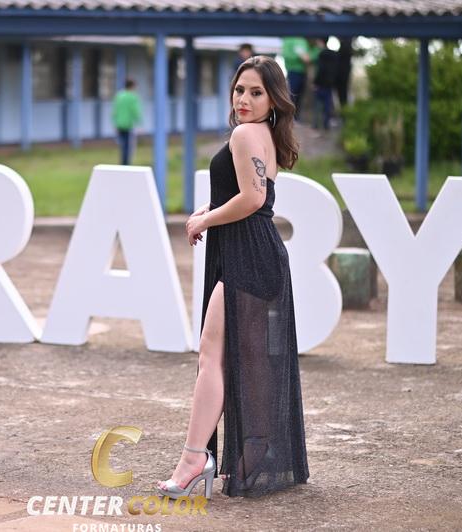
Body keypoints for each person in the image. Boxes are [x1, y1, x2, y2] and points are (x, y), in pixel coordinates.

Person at [157, 55, 309, 499]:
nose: (244, 99)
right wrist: (210, 209)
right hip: (255, 252)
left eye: (256, 92)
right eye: (240, 90)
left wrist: (205, 221)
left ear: (273, 99)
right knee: (242, 361)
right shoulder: (263, 134)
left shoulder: (245, 134)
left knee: (213, 356)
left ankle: (194, 460)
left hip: (250, 255)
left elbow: (253, 199)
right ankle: (249, 454)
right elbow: (250, 194)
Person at [111, 79, 142, 165]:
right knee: (129, 146)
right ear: (132, 86)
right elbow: (135, 111)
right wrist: (140, 123)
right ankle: (126, 163)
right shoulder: (132, 97)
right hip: (128, 124)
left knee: (122, 145)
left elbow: (115, 110)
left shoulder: (119, 95)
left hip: (119, 124)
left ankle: (122, 163)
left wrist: (114, 122)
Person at [312, 37, 339, 130]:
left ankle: (316, 125)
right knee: (327, 105)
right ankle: (326, 124)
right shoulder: (334, 54)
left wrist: (315, 82)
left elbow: (321, 69)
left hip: (320, 84)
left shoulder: (322, 54)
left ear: (320, 42)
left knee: (317, 106)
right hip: (329, 84)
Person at [282, 37, 311, 121]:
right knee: (292, 94)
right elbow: (287, 55)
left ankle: (296, 117)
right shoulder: (288, 40)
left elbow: (308, 57)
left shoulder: (303, 40)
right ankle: (290, 117)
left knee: (299, 96)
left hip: (303, 72)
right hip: (293, 71)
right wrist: (299, 56)